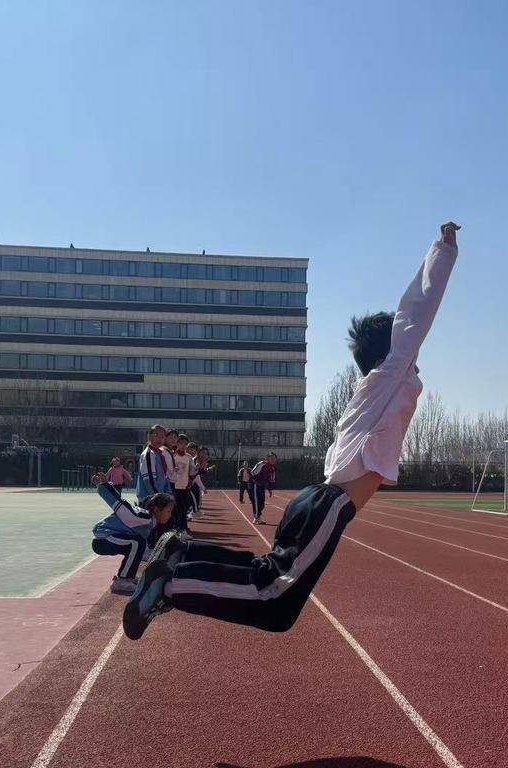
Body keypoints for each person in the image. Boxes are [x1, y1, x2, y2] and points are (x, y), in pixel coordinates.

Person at [122, 222, 461, 639]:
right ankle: (169, 586)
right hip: (329, 506)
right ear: (394, 353)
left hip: (317, 500)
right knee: (275, 602)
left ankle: (181, 553)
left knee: (266, 577)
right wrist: (444, 250)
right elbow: (416, 311)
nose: (416, 362)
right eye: (408, 354)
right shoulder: (391, 375)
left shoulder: (367, 398)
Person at [91, 482, 175, 594]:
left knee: (137, 543)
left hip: (107, 538)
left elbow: (144, 551)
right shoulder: (144, 517)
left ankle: (128, 577)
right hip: (103, 538)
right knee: (136, 543)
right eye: (168, 511)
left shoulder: (149, 523)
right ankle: (122, 581)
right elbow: (120, 506)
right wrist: (104, 486)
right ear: (157, 509)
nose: (170, 515)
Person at [135, 425, 173, 502]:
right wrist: (159, 498)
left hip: (158, 497)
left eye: (162, 436)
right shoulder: (148, 454)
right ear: (149, 436)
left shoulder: (159, 454)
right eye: (156, 435)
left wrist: (168, 494)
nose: (159, 438)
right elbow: (149, 480)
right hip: (150, 499)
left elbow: (164, 477)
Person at [169, 433, 194, 533]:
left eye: (185, 443)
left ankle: (183, 526)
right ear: (177, 443)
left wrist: (198, 469)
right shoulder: (172, 455)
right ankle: (177, 527)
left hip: (184, 486)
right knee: (174, 508)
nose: (182, 445)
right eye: (180, 442)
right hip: (174, 485)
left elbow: (192, 471)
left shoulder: (189, 457)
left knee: (183, 507)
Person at [250, 451, 278, 524]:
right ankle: (256, 518)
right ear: (267, 458)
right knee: (257, 502)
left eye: (274, 458)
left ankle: (258, 516)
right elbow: (252, 473)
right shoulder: (261, 464)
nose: (273, 460)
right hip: (255, 485)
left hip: (262, 486)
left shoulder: (273, 468)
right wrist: (256, 482)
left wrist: (270, 489)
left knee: (262, 504)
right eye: (271, 458)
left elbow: (271, 480)